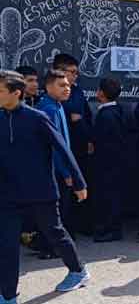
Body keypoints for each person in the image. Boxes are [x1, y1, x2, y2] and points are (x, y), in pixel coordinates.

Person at [0, 71, 90, 304]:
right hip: (8, 194)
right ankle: (8, 297)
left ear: (15, 93)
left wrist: (79, 183)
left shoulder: (37, 118)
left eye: (0, 90)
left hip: (40, 190)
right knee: (6, 243)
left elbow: (62, 148)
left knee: (55, 233)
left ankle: (78, 271)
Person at [36, 69, 75, 258]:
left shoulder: (57, 105)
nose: (67, 88)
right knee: (55, 211)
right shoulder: (48, 109)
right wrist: (66, 172)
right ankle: (48, 248)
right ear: (48, 87)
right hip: (55, 169)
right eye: (61, 85)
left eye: (68, 85)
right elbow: (54, 146)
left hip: (60, 167)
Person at [54, 54, 93, 235]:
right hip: (62, 149)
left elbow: (84, 114)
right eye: (72, 72)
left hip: (80, 146)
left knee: (80, 187)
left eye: (77, 73)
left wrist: (89, 139)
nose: (75, 76)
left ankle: (80, 225)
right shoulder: (52, 98)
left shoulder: (77, 91)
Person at [92, 77, 126, 243]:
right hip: (116, 162)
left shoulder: (106, 115)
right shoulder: (117, 110)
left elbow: (105, 141)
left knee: (109, 197)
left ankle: (111, 229)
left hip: (108, 163)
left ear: (102, 93)